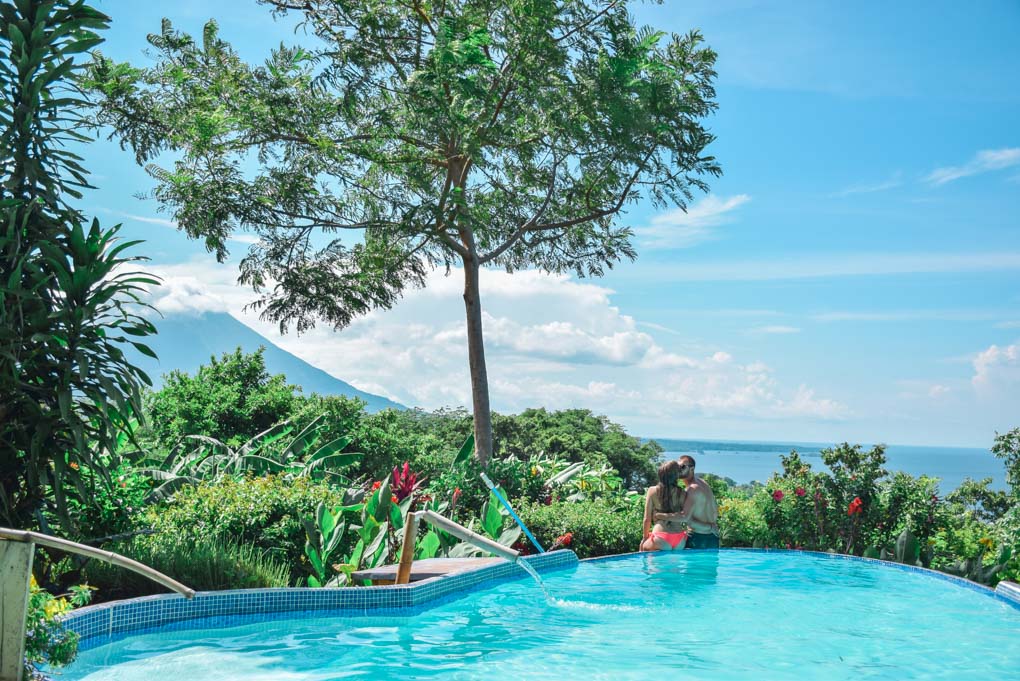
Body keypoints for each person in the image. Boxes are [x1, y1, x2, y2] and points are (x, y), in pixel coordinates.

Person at [655, 455, 720, 549]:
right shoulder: (702, 483)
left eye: (682, 467)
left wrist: (658, 515)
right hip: (713, 538)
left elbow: (684, 517)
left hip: (698, 538)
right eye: (677, 467)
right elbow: (714, 512)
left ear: (692, 469)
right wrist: (710, 527)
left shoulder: (692, 489)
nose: (679, 470)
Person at [640, 460, 688, 551]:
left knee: (644, 549)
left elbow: (647, 519)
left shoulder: (652, 490)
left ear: (661, 475)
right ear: (676, 475)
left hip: (661, 537)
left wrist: (644, 538)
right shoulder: (683, 493)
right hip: (680, 539)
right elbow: (685, 516)